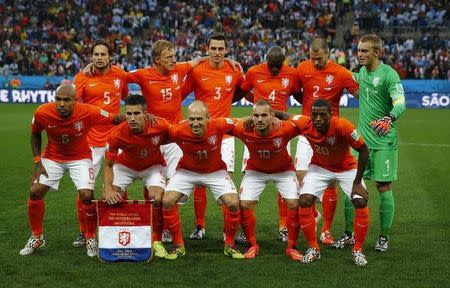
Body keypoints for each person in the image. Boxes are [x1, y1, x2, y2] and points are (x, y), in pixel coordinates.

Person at [19, 84, 124, 257]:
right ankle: (37, 236)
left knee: (87, 196)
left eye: (66, 100)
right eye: (58, 99)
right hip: (52, 157)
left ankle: (90, 237)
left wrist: (138, 116)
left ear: (75, 100)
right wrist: (37, 160)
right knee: (35, 192)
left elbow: (115, 118)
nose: (61, 104)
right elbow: (35, 133)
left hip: (80, 158)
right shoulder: (42, 112)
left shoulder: (88, 111)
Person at [279, 99, 370, 267]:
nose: (318, 118)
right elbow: (285, 115)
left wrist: (357, 182)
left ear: (331, 115)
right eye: (315, 115)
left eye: (323, 115)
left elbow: (364, 150)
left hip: (346, 168)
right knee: (304, 201)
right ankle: (314, 249)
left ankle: (357, 250)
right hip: (319, 167)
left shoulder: (343, 126)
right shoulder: (305, 123)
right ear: (310, 116)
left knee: (360, 201)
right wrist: (267, 114)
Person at [337, 34, 406, 252]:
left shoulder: (389, 75)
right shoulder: (361, 75)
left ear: (378, 52)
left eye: (365, 51)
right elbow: (335, 71)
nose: (360, 54)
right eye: (358, 50)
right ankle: (348, 234)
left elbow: (400, 103)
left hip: (384, 141)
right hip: (361, 143)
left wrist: (389, 118)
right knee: (351, 186)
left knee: (383, 187)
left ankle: (384, 237)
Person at [296, 37, 359, 246]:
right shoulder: (303, 67)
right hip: (308, 131)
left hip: (331, 134)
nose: (316, 63)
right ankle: (314, 214)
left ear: (328, 54)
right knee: (300, 178)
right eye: (313, 58)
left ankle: (326, 230)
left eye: (320, 59)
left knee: (331, 179)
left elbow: (359, 93)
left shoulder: (340, 73)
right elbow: (297, 92)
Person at [182, 32, 244, 240]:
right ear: (206, 50)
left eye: (221, 49)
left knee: (225, 181)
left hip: (224, 137)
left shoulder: (234, 71)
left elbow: (243, 91)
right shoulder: (197, 71)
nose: (217, 52)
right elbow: (180, 94)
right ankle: (200, 226)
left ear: (226, 50)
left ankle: (229, 230)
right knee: (199, 182)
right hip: (199, 134)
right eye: (213, 48)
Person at [161, 101, 243, 260]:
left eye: (199, 119)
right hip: (187, 171)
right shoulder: (178, 130)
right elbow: (159, 134)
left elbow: (241, 121)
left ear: (208, 118)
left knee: (233, 203)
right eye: (192, 119)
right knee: (167, 200)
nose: (195, 123)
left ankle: (230, 244)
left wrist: (261, 119)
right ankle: (178, 245)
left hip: (215, 172)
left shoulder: (218, 124)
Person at [239, 46, 301, 243]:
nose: (275, 70)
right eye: (271, 66)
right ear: (266, 61)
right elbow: (242, 91)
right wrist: (256, 107)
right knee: (249, 177)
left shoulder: (292, 73)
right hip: (255, 129)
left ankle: (283, 226)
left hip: (282, 132)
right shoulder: (254, 71)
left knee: (284, 178)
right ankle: (245, 229)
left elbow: (299, 94)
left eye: (278, 66)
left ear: (284, 61)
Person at [72, 39, 129, 248]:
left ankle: (117, 225)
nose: (99, 58)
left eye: (103, 54)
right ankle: (83, 231)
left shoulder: (120, 75)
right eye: (96, 54)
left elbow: (125, 96)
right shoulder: (82, 77)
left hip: (116, 140)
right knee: (85, 188)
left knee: (119, 184)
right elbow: (73, 105)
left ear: (110, 57)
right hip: (90, 141)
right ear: (91, 56)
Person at [230, 100, 302, 261]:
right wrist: (243, 120)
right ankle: (252, 245)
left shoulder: (285, 128)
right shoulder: (244, 129)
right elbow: (220, 124)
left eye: (264, 115)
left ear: (272, 116)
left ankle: (292, 246)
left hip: (283, 170)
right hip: (256, 171)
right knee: (243, 204)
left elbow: (307, 124)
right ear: (251, 118)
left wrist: (286, 118)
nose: (260, 119)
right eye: (256, 116)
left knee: (294, 203)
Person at [103, 94, 171, 258]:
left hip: (152, 166)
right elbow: (108, 164)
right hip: (125, 166)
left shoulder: (160, 125)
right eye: (128, 114)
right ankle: (116, 236)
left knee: (157, 197)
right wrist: (108, 189)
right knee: (109, 197)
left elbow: (178, 134)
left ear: (146, 113)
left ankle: (156, 240)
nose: (132, 118)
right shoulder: (116, 134)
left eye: (137, 114)